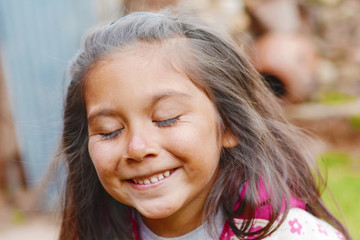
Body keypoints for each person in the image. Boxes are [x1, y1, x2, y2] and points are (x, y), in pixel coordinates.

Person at [58, 9, 350, 240]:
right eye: (110, 131)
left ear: (230, 125)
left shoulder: (295, 236)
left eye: (166, 118)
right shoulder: (93, 232)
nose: (137, 148)